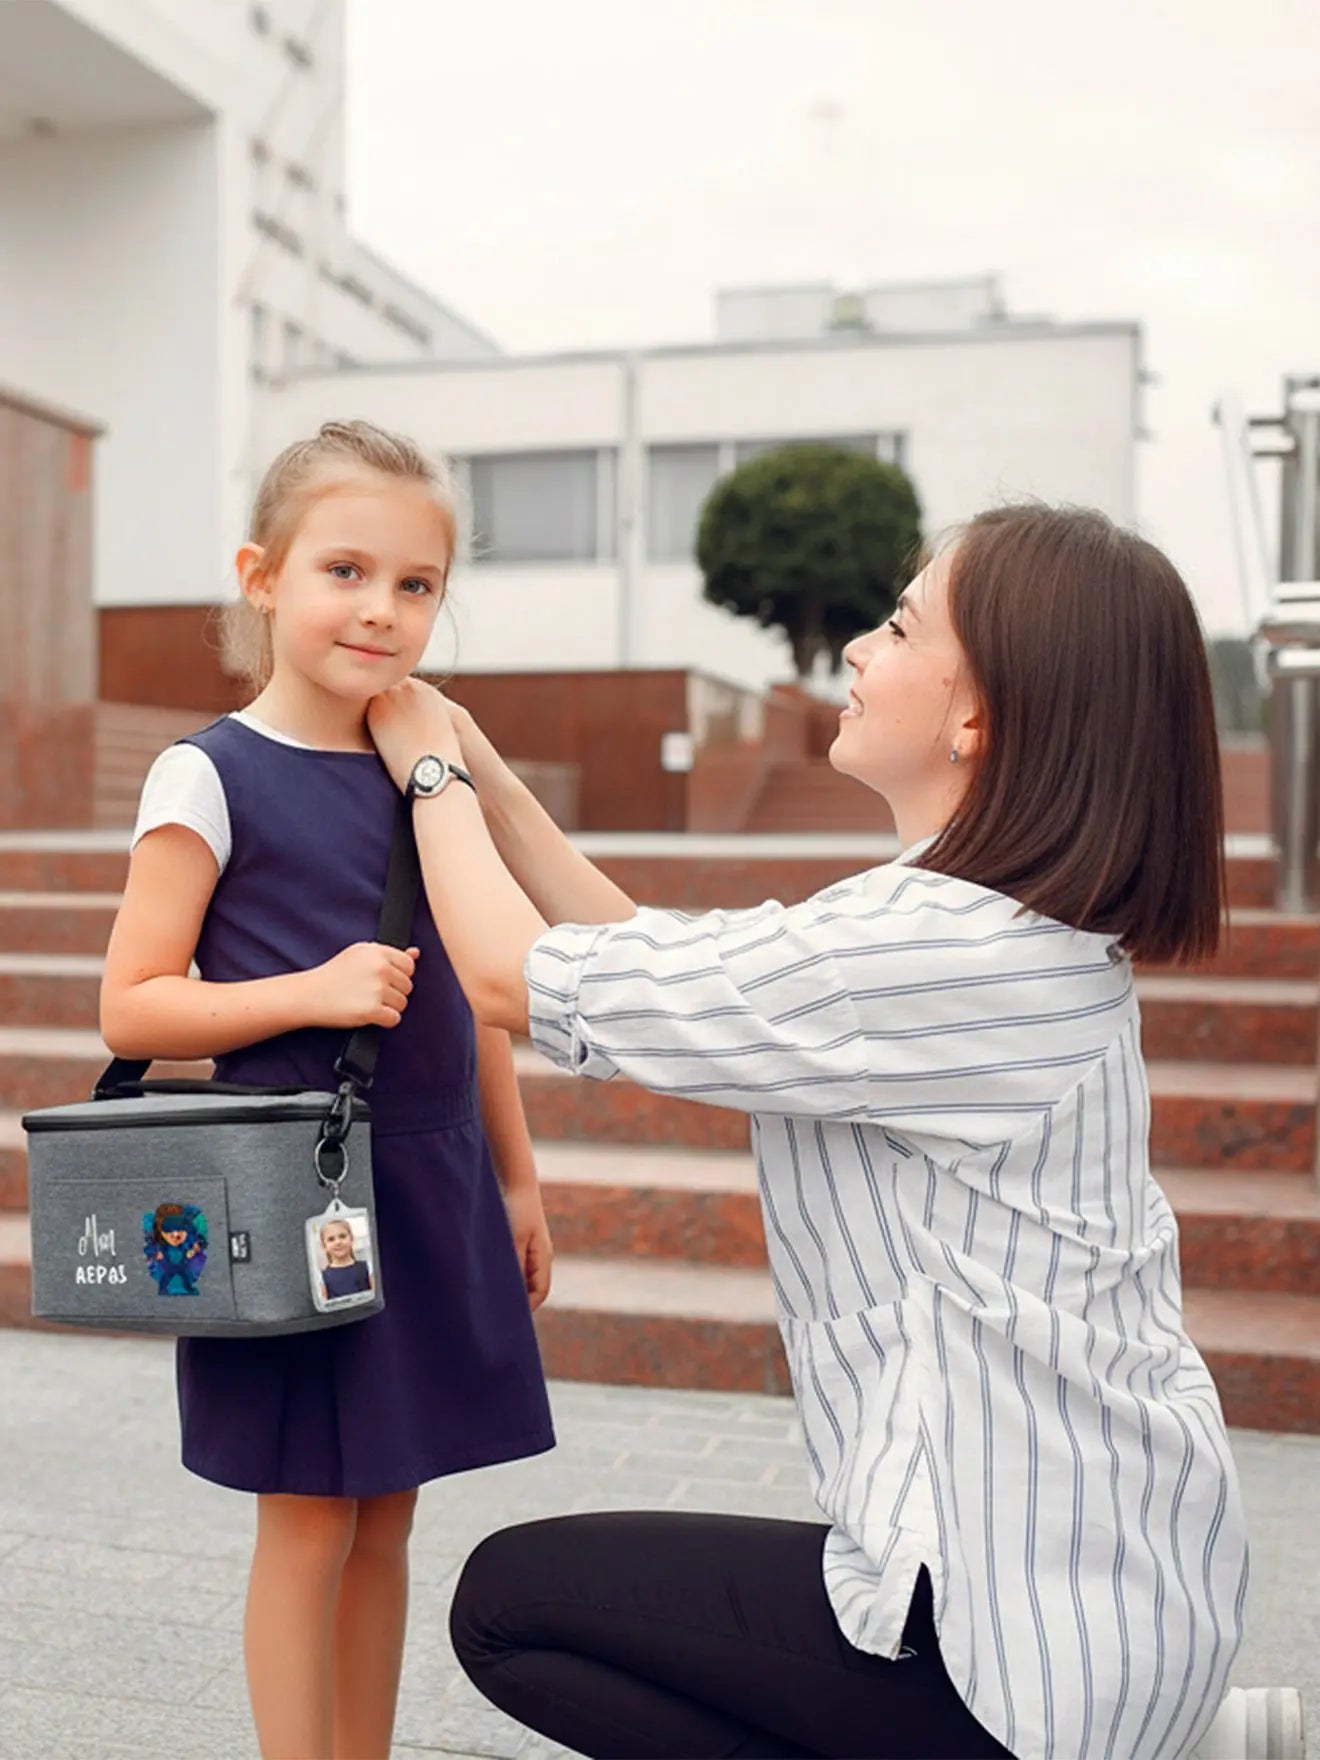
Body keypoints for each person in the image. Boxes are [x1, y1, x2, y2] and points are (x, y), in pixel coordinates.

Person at [366, 503, 1250, 1760]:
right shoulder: (991, 932)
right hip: (1116, 1589)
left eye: (897, 627)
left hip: (1018, 1657)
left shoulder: (930, 950)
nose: (856, 652)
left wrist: (428, 771)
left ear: (976, 717)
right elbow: (642, 957)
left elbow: (514, 981)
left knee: (510, 1606)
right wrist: (491, 779)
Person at [98, 419, 556, 1760]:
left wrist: (519, 1179)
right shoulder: (208, 771)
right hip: (289, 1195)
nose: (382, 609)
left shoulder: (425, 771)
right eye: (345, 571)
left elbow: (477, 989)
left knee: (392, 1508)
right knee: (304, 1513)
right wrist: (313, 990)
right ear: (263, 576)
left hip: (429, 1181)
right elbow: (133, 1002)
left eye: (416, 585)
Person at [319, 1216, 373, 1301]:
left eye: (342, 1236)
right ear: (323, 1246)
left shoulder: (368, 1267)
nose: (338, 1242)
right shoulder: (322, 1277)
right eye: (331, 1239)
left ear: (351, 1239)